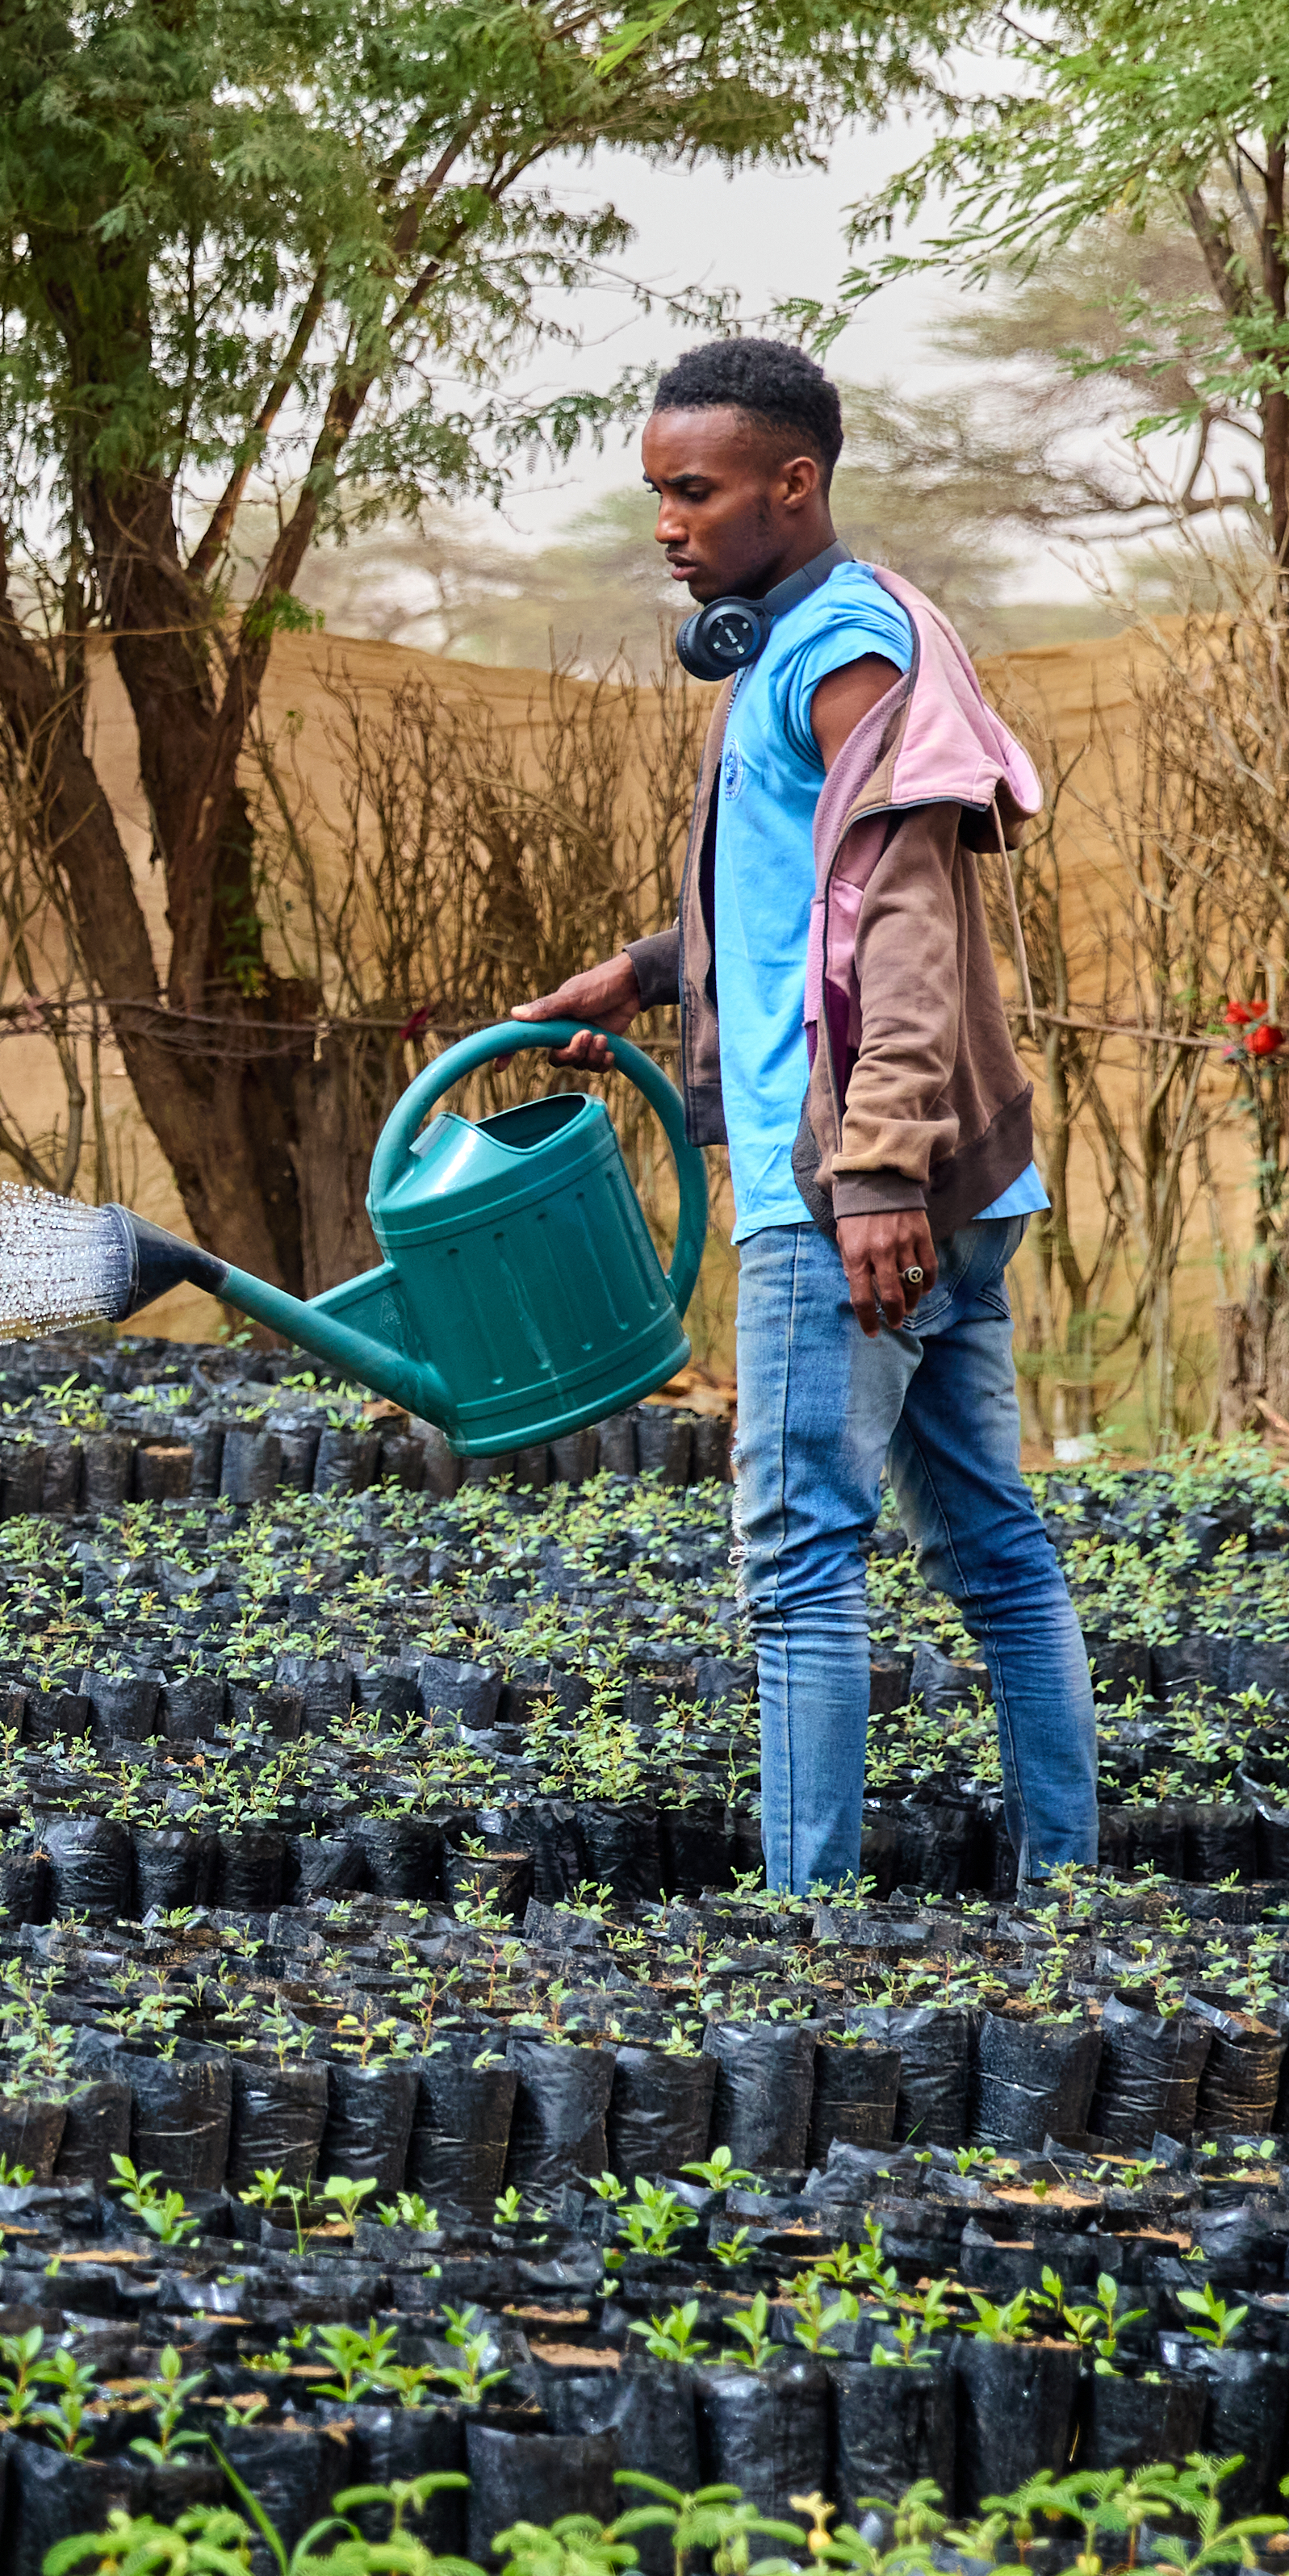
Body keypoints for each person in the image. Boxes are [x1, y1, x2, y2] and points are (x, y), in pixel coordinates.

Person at [517, 337, 1098, 1895]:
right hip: (948, 1186)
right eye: (654, 495)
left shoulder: (843, 649)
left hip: (842, 1188)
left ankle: (806, 1932)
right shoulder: (798, 646)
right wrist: (646, 972)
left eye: (693, 492)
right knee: (991, 1549)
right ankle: (1066, 1885)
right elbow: (800, 902)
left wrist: (876, 1174)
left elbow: (902, 915)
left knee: (799, 1568)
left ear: (796, 482)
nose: (667, 524)